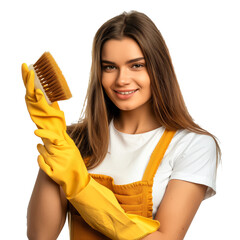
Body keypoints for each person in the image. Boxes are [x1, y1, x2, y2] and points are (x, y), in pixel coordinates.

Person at [22, 11, 220, 240]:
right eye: (109, 67)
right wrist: (53, 140)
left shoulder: (192, 146)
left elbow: (165, 238)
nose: (121, 80)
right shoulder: (73, 141)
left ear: (158, 67)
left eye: (136, 65)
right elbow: (40, 236)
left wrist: (81, 189)